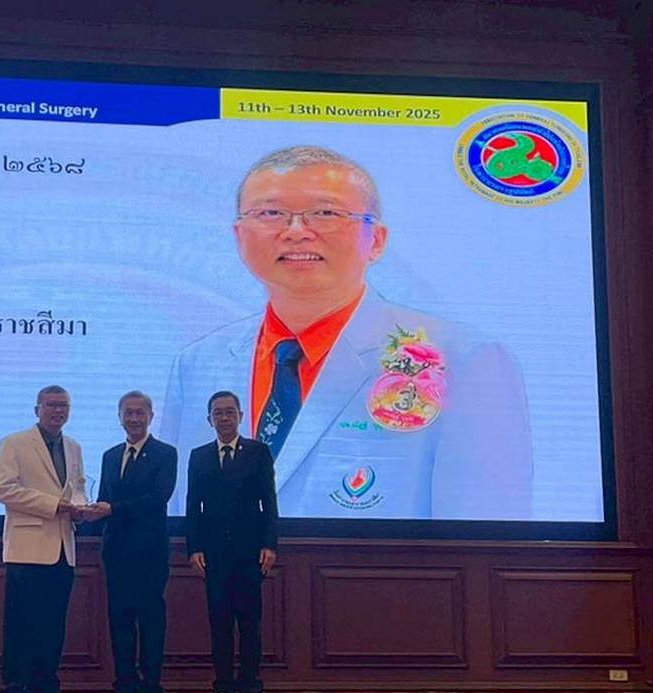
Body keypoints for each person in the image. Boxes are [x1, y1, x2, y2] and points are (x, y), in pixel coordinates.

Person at [159, 146, 532, 520]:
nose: (296, 232)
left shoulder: (465, 359)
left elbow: (488, 537)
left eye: (325, 213)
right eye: (270, 213)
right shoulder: (197, 364)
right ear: (239, 237)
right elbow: (176, 518)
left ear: (377, 240)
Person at [0, 385, 87, 693]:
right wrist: (54, 505)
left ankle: (44, 691)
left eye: (64, 406)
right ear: (37, 409)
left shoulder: (73, 447)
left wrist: (80, 507)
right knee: (21, 625)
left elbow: (78, 488)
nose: (58, 411)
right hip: (26, 549)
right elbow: (4, 490)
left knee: (52, 625)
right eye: (51, 405)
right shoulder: (15, 442)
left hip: (63, 548)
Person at [186, 390, 278, 693]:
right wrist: (194, 547)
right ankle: (224, 690)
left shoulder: (258, 452)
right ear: (209, 419)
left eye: (229, 412)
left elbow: (269, 503)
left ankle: (251, 690)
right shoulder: (199, 456)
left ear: (240, 416)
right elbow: (193, 506)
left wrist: (270, 544)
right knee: (220, 624)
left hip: (251, 552)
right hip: (214, 554)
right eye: (218, 413)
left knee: (250, 624)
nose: (224, 418)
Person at [87, 391, 177, 693]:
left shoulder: (166, 453)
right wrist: (85, 514)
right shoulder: (111, 456)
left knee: (151, 621)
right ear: (119, 417)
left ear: (151, 416)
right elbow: (104, 498)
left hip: (150, 551)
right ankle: (124, 690)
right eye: (128, 413)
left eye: (140, 413)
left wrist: (112, 509)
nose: (134, 418)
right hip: (116, 552)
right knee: (120, 621)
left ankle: (151, 690)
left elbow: (157, 499)